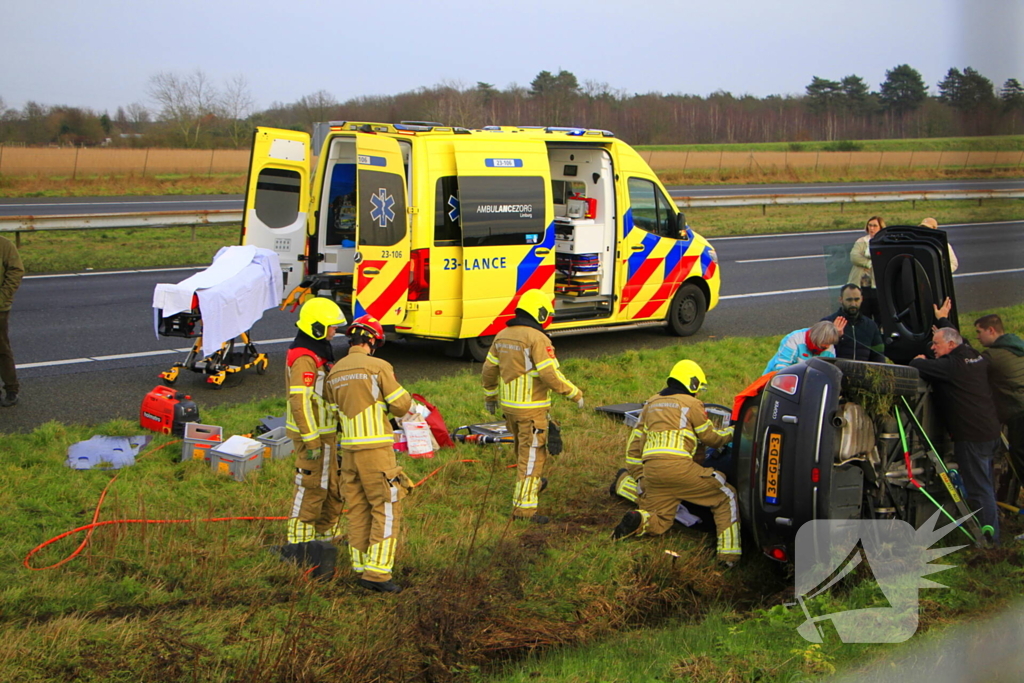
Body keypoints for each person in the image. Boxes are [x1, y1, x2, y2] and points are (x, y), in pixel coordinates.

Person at [611, 360, 740, 566]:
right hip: (680, 468)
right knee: (726, 495)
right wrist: (735, 431)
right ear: (694, 384)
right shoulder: (691, 404)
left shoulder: (651, 404)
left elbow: (634, 447)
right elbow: (712, 438)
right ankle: (729, 556)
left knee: (661, 520)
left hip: (652, 472)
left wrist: (640, 476)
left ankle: (639, 520)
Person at [324, 314, 413, 593]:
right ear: (372, 341)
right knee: (386, 508)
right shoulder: (378, 366)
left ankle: (361, 566)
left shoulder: (335, 371)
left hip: (349, 450)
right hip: (376, 451)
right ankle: (378, 575)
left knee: (359, 508)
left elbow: (331, 408)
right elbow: (400, 404)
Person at [481, 289, 584, 524]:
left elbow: (488, 370)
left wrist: (490, 397)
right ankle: (524, 510)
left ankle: (533, 485)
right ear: (539, 312)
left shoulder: (502, 335)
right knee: (532, 457)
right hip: (532, 409)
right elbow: (550, 374)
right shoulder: (538, 339)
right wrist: (574, 393)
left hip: (509, 409)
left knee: (522, 449)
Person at [910, 318, 1003, 543]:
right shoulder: (974, 356)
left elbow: (918, 366)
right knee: (986, 483)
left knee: (979, 488)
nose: (932, 348)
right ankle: (993, 527)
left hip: (971, 436)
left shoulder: (952, 366)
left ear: (952, 345)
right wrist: (943, 319)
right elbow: (964, 340)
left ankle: (990, 540)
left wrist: (918, 359)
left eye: (936, 344)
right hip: (990, 432)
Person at [277, 297, 346, 578]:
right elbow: (300, 401)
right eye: (330, 328)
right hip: (314, 438)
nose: (333, 332)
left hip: (327, 434)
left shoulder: (318, 353)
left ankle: (325, 541)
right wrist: (312, 440)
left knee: (333, 489)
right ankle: (299, 548)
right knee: (310, 489)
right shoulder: (304, 358)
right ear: (316, 327)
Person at [973, 313, 1024, 484]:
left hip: (1018, 413)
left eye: (979, 332)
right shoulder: (1017, 346)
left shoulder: (992, 356)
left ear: (991, 330)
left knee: (1020, 454)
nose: (977, 337)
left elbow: (970, 372)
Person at [822, 285, 886, 363]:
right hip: (835, 372)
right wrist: (835, 336)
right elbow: (818, 350)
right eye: (849, 300)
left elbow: (878, 354)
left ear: (862, 299)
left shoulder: (871, 325)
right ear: (840, 300)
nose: (853, 304)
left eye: (856, 300)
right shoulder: (828, 322)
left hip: (863, 373)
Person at [763, 320, 845, 375]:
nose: (827, 347)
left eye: (830, 344)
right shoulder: (794, 339)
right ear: (815, 338)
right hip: (778, 377)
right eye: (824, 343)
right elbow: (781, 366)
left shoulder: (830, 349)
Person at [0, 235, 24, 408]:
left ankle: (11, 389)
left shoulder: (4, 245)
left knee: (1, 349)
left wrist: (2, 299)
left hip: (0, 308)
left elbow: (16, 271)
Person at [848, 216, 884, 320]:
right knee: (863, 314)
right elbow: (854, 257)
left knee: (879, 314)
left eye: (875, 226)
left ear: (881, 227)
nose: (872, 228)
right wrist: (869, 263)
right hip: (861, 285)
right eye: (870, 225)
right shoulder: (861, 241)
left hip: (876, 285)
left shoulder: (883, 242)